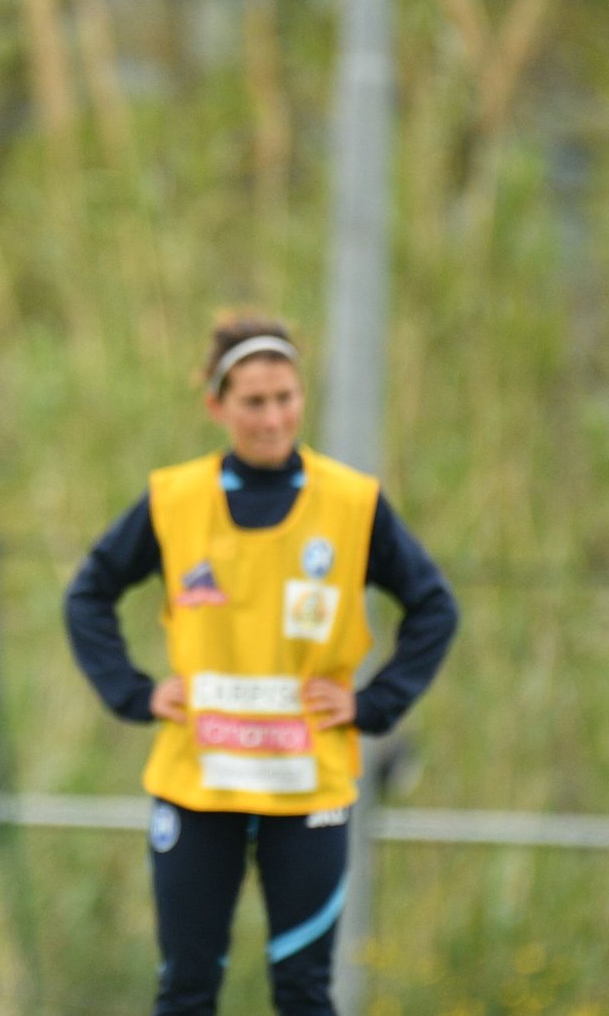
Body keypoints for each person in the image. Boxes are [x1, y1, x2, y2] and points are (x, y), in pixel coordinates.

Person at [63, 315, 456, 1015]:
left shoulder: (350, 503)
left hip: (308, 787)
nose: (273, 417)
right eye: (253, 401)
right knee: (185, 991)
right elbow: (88, 594)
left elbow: (434, 607)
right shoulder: (176, 500)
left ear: (302, 398)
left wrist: (374, 705)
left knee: (303, 992)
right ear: (218, 405)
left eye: (286, 398)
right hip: (198, 784)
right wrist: (133, 693)